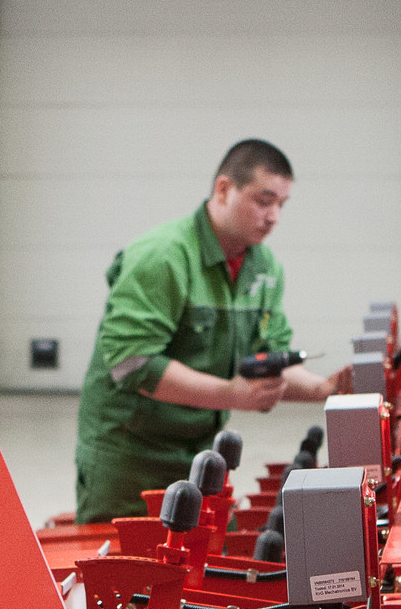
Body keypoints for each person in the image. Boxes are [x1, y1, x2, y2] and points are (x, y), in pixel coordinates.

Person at [74, 138, 349, 524]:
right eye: (263, 200)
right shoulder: (163, 256)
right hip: (130, 458)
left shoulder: (264, 268)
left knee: (210, 568)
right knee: (129, 574)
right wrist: (229, 394)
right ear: (223, 190)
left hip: (202, 454)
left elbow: (271, 359)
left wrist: (326, 389)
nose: (273, 216)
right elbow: (132, 363)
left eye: (281, 205)